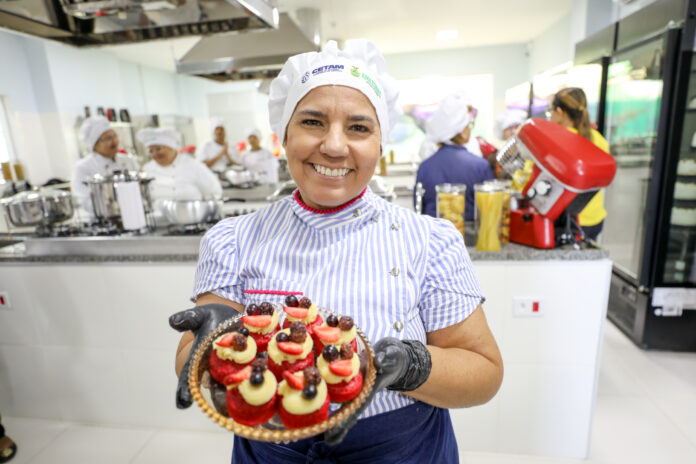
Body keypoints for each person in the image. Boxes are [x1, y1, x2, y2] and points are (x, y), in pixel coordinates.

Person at [170, 39, 503, 463]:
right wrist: (210, 344)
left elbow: (485, 373)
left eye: (359, 128)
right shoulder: (232, 239)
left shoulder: (430, 240)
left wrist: (413, 365)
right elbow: (190, 363)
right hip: (273, 452)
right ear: (284, 134)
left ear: (381, 145)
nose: (333, 145)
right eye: (312, 122)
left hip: (402, 449)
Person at [415, 93, 495, 220]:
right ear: (461, 130)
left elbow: (418, 206)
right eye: (468, 126)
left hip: (433, 236)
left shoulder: (425, 167)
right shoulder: (480, 166)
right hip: (469, 236)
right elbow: (490, 210)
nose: (470, 129)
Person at [548, 87, 609, 240]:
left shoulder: (556, 141)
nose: (549, 117)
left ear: (560, 112)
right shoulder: (598, 139)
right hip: (595, 218)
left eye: (551, 112)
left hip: (571, 223)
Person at [71, 115, 139, 220]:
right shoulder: (83, 167)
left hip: (133, 215)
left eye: (115, 136)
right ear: (95, 144)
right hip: (101, 221)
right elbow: (83, 199)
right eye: (108, 139)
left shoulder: (128, 160)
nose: (114, 142)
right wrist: (113, 209)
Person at [138, 128, 222, 202]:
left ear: (171, 147)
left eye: (158, 149)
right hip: (157, 218)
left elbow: (214, 191)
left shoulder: (192, 165)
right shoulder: (147, 170)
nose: (155, 154)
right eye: (151, 151)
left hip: (192, 216)